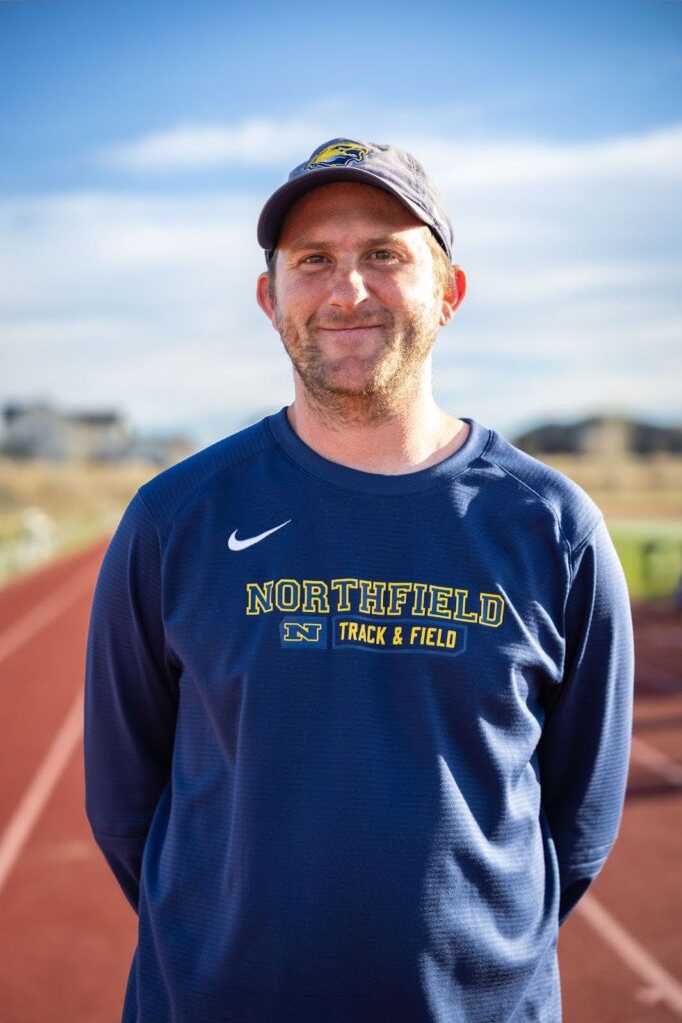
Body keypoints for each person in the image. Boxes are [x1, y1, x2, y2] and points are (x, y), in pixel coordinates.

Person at [84, 138, 634, 1023]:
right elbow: (122, 804)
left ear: (449, 293)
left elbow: (580, 822)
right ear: (270, 298)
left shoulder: (553, 527)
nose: (347, 291)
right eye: (314, 261)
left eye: (386, 254)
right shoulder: (173, 518)